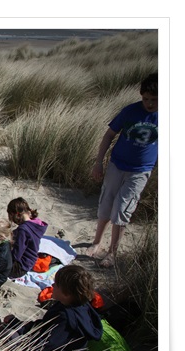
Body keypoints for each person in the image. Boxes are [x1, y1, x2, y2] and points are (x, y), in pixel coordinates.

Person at [87, 73, 158, 268]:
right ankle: (96, 242)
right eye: (145, 99)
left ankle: (112, 252)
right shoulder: (130, 111)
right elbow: (109, 135)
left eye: (154, 100)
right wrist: (98, 162)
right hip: (117, 165)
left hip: (140, 171)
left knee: (122, 208)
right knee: (106, 203)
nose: (149, 104)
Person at [2, 265, 103, 351]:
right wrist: (18, 324)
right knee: (10, 329)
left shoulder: (66, 317)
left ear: (66, 294)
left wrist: (18, 328)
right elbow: (43, 326)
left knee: (8, 334)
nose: (53, 285)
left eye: (57, 285)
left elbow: (46, 344)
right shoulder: (77, 306)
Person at [6, 197, 48, 278]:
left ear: (17, 214)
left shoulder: (23, 230)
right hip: (29, 263)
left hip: (19, 268)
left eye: (11, 216)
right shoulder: (36, 223)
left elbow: (16, 254)